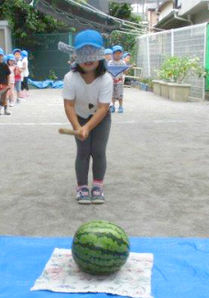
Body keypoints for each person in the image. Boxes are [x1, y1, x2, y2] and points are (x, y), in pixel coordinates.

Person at [63, 29, 113, 204]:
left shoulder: (106, 79)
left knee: (98, 151)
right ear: (76, 56)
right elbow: (68, 105)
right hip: (79, 116)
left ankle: (98, 186)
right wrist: (78, 127)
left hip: (101, 118)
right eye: (84, 53)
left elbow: (103, 108)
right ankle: (82, 187)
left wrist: (88, 127)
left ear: (100, 55)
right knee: (83, 152)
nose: (89, 58)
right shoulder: (70, 78)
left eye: (93, 53)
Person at [108, 45, 126, 113]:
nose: (117, 54)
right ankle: (112, 106)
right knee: (112, 94)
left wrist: (127, 68)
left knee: (120, 94)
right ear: (113, 54)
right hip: (111, 81)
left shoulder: (122, 62)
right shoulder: (110, 62)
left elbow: (125, 71)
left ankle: (121, 106)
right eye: (116, 53)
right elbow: (108, 71)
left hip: (119, 81)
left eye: (119, 53)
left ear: (121, 54)